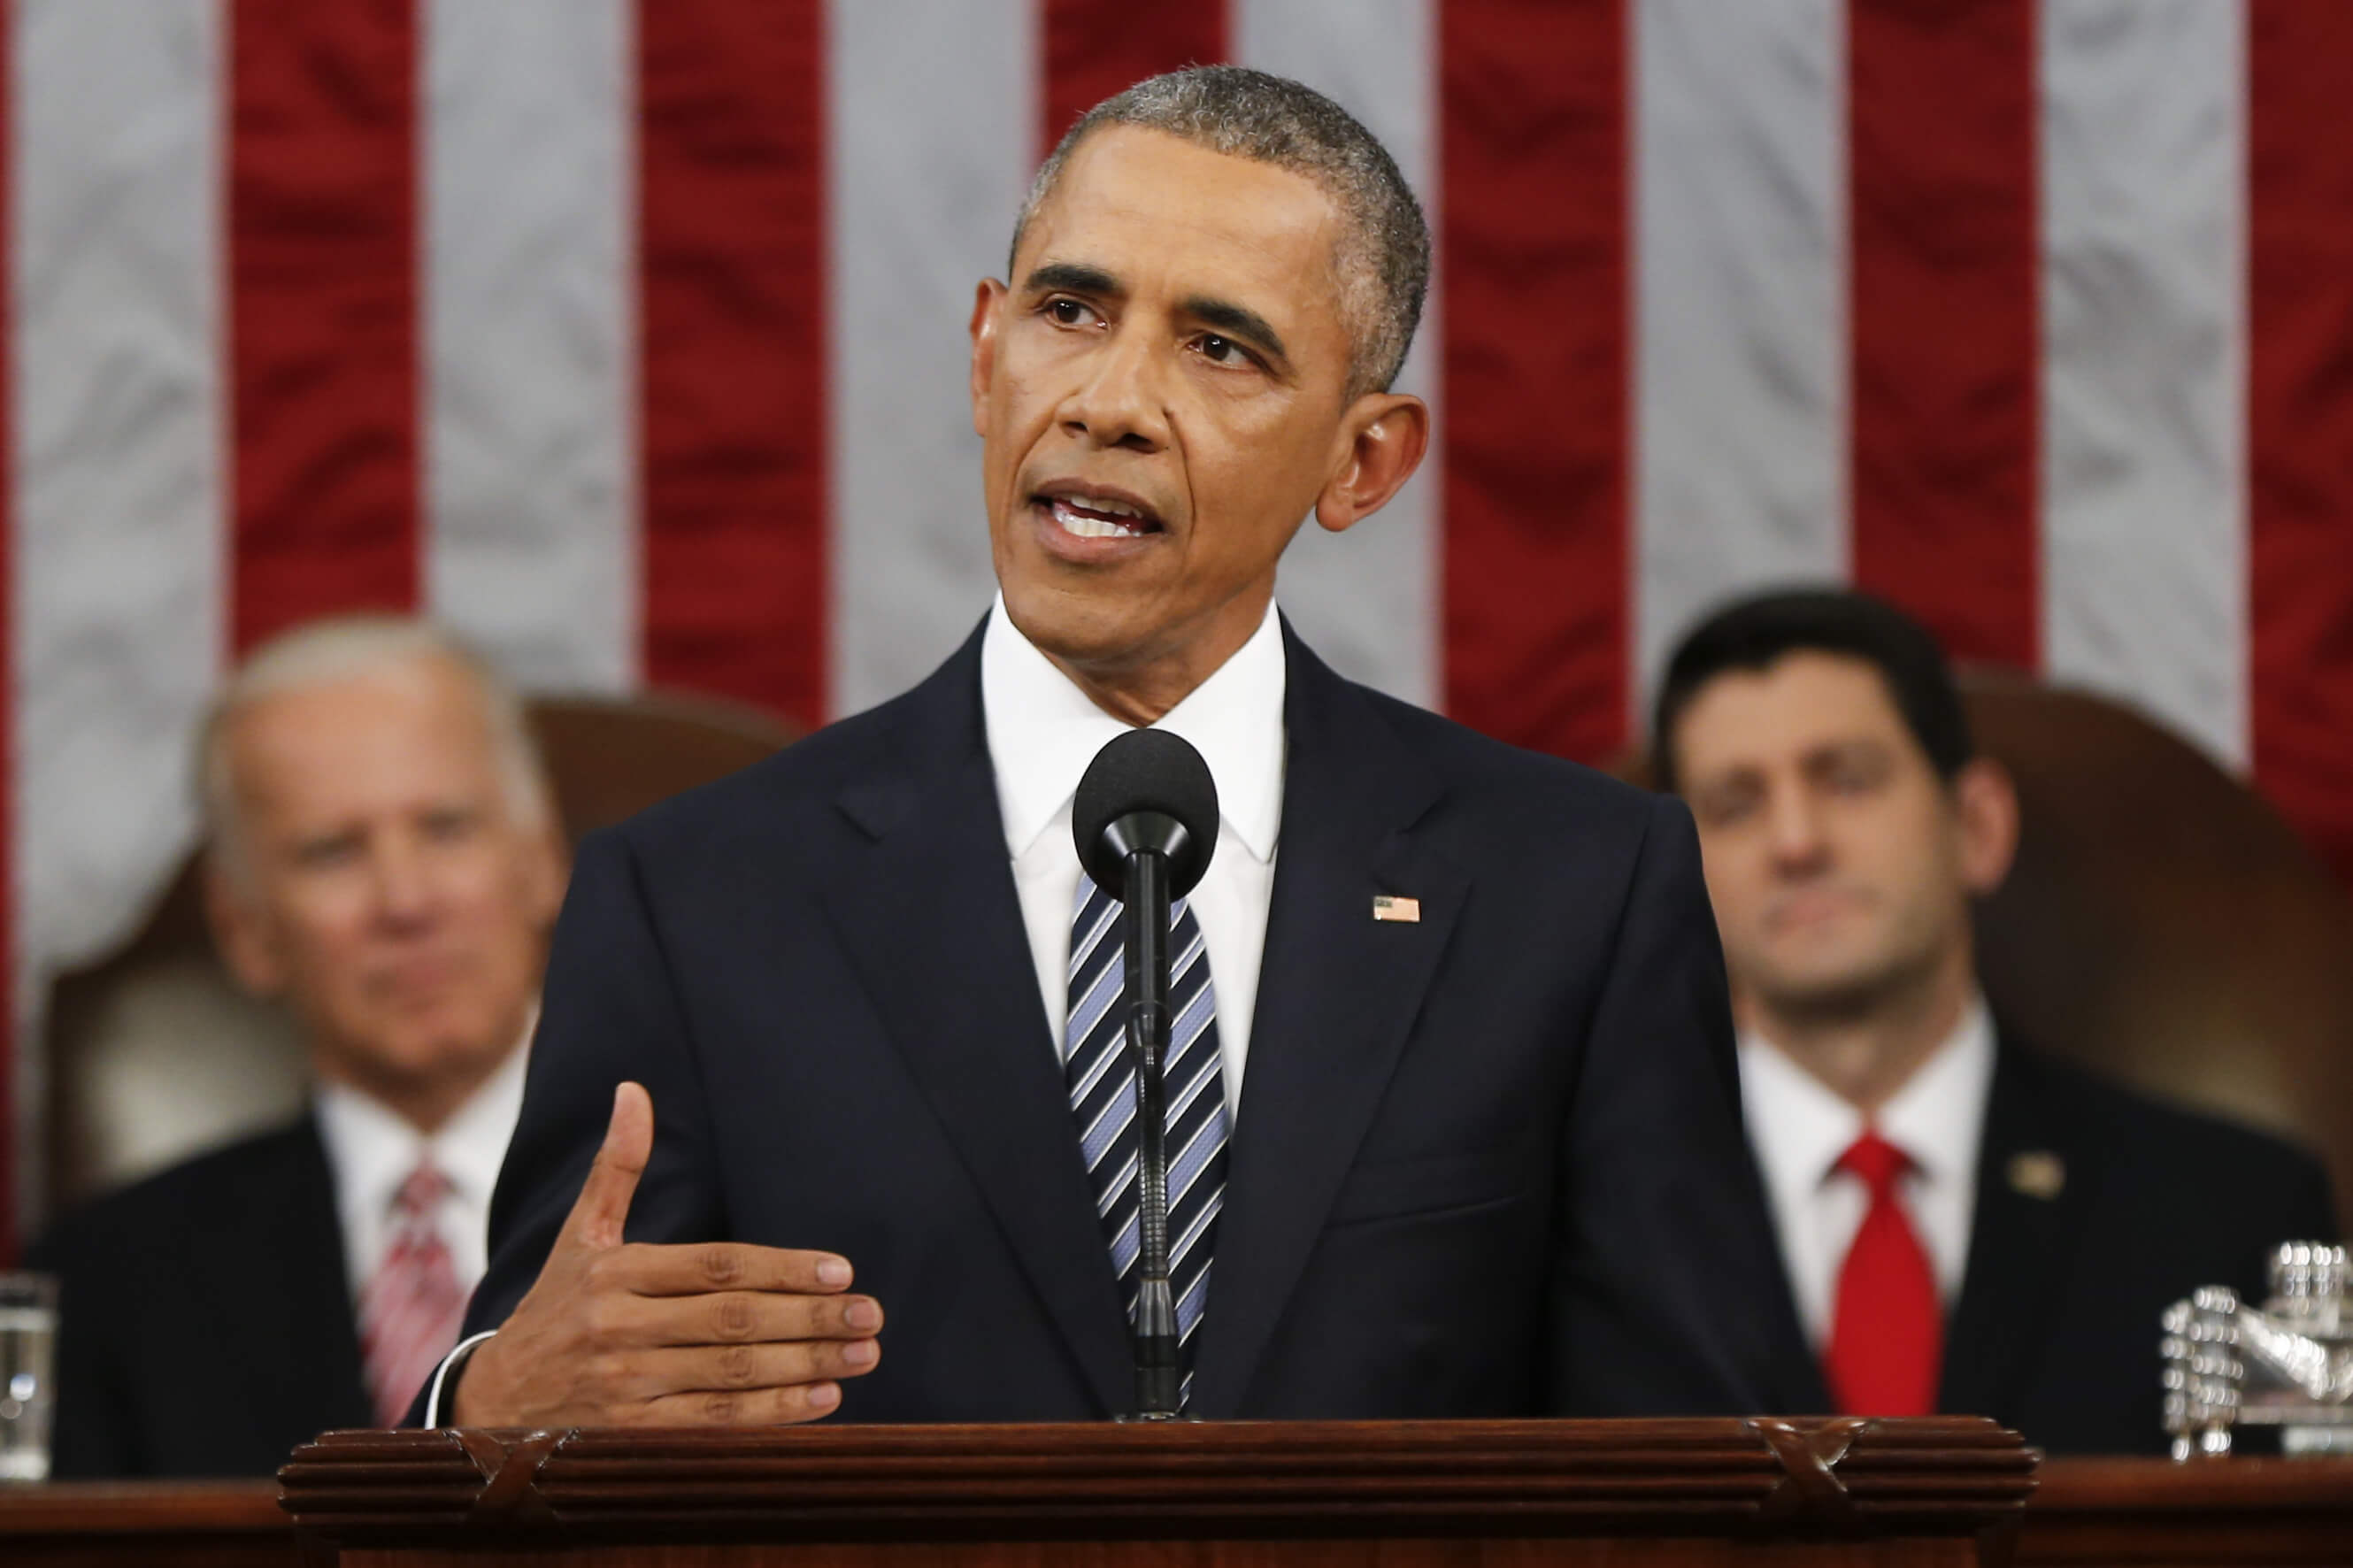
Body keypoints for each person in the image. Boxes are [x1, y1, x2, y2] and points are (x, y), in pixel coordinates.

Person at [427, 67, 1811, 1429]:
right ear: (984, 353)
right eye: (1069, 311)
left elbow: (1694, 1466)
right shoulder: (694, 905)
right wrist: (490, 1405)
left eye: (1219, 348)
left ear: (1363, 462)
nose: (1108, 401)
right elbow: (551, 1402)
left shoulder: (1571, 895)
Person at [1652, 587, 2341, 1454]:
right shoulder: (1579, 1235)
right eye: (1734, 804)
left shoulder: (2246, 1211)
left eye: (1848, 780)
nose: (1794, 841)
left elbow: (2314, 1530)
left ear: (1975, 823)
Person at [28, 618, 567, 1476]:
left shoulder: (720, 1212)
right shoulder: (107, 1284)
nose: (405, 901)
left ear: (542, 861)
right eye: (333, 852)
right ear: (245, 929)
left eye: (446, 827)